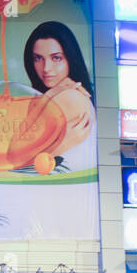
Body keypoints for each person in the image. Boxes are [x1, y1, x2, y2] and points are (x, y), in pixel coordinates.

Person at [22, 20, 96, 169]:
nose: (46, 68)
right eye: (38, 58)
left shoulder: (69, 98)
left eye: (56, 58)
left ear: (71, 58)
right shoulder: (52, 97)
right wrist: (51, 94)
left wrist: (63, 143)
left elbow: (17, 161)